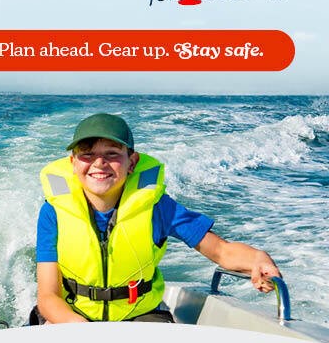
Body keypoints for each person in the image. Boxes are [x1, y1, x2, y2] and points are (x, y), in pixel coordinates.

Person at [35, 113, 281, 323]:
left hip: (141, 315)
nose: (99, 163)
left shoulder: (157, 208)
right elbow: (48, 297)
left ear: (132, 162)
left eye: (111, 154)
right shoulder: (53, 212)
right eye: (87, 155)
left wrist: (257, 258)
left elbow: (221, 251)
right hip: (73, 317)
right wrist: (86, 331)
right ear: (72, 163)